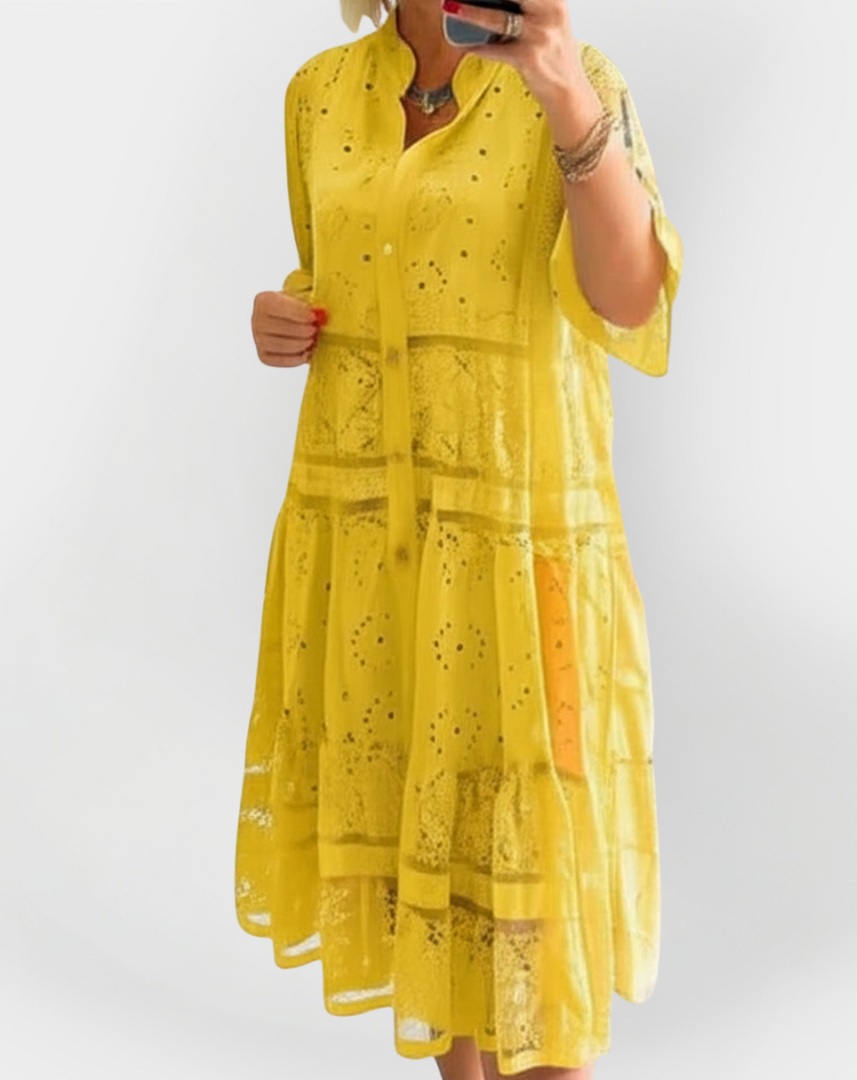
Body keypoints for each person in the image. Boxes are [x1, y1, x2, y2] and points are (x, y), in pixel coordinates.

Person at [235, 1, 684, 1076]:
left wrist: (564, 94)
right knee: (428, 870)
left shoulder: (577, 79)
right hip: (372, 549)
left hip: (521, 547)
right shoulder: (319, 94)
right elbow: (353, 273)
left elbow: (629, 299)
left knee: (536, 890)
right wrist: (283, 317)